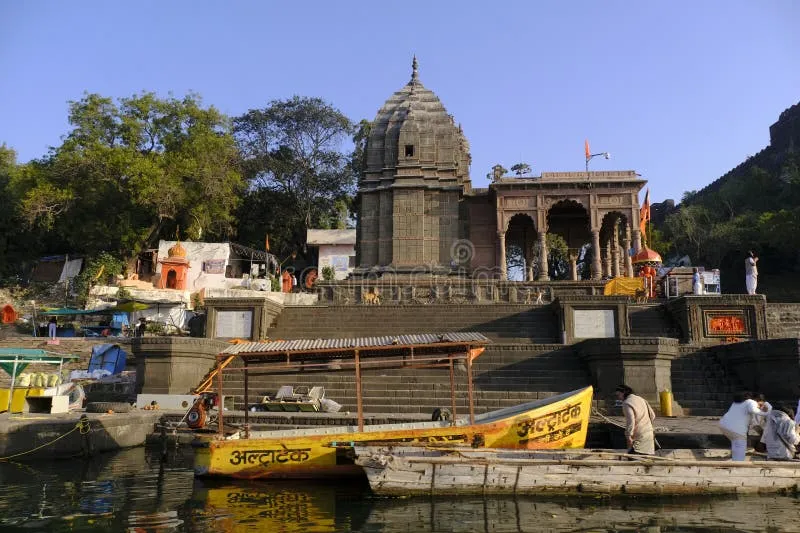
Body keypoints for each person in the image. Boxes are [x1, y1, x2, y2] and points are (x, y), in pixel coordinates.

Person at [719, 391, 767, 461]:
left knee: (736, 444)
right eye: (760, 404)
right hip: (736, 429)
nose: (760, 407)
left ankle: (734, 457)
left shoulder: (738, 402)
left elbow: (753, 423)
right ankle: (736, 463)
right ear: (757, 400)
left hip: (723, 425)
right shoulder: (752, 402)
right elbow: (755, 421)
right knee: (739, 455)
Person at [616, 384, 656, 455]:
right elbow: (653, 415)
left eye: (618, 395)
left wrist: (628, 435)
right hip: (649, 434)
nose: (619, 398)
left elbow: (631, 421)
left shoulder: (627, 403)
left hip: (638, 435)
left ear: (624, 392)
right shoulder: (641, 399)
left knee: (634, 457)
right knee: (647, 459)